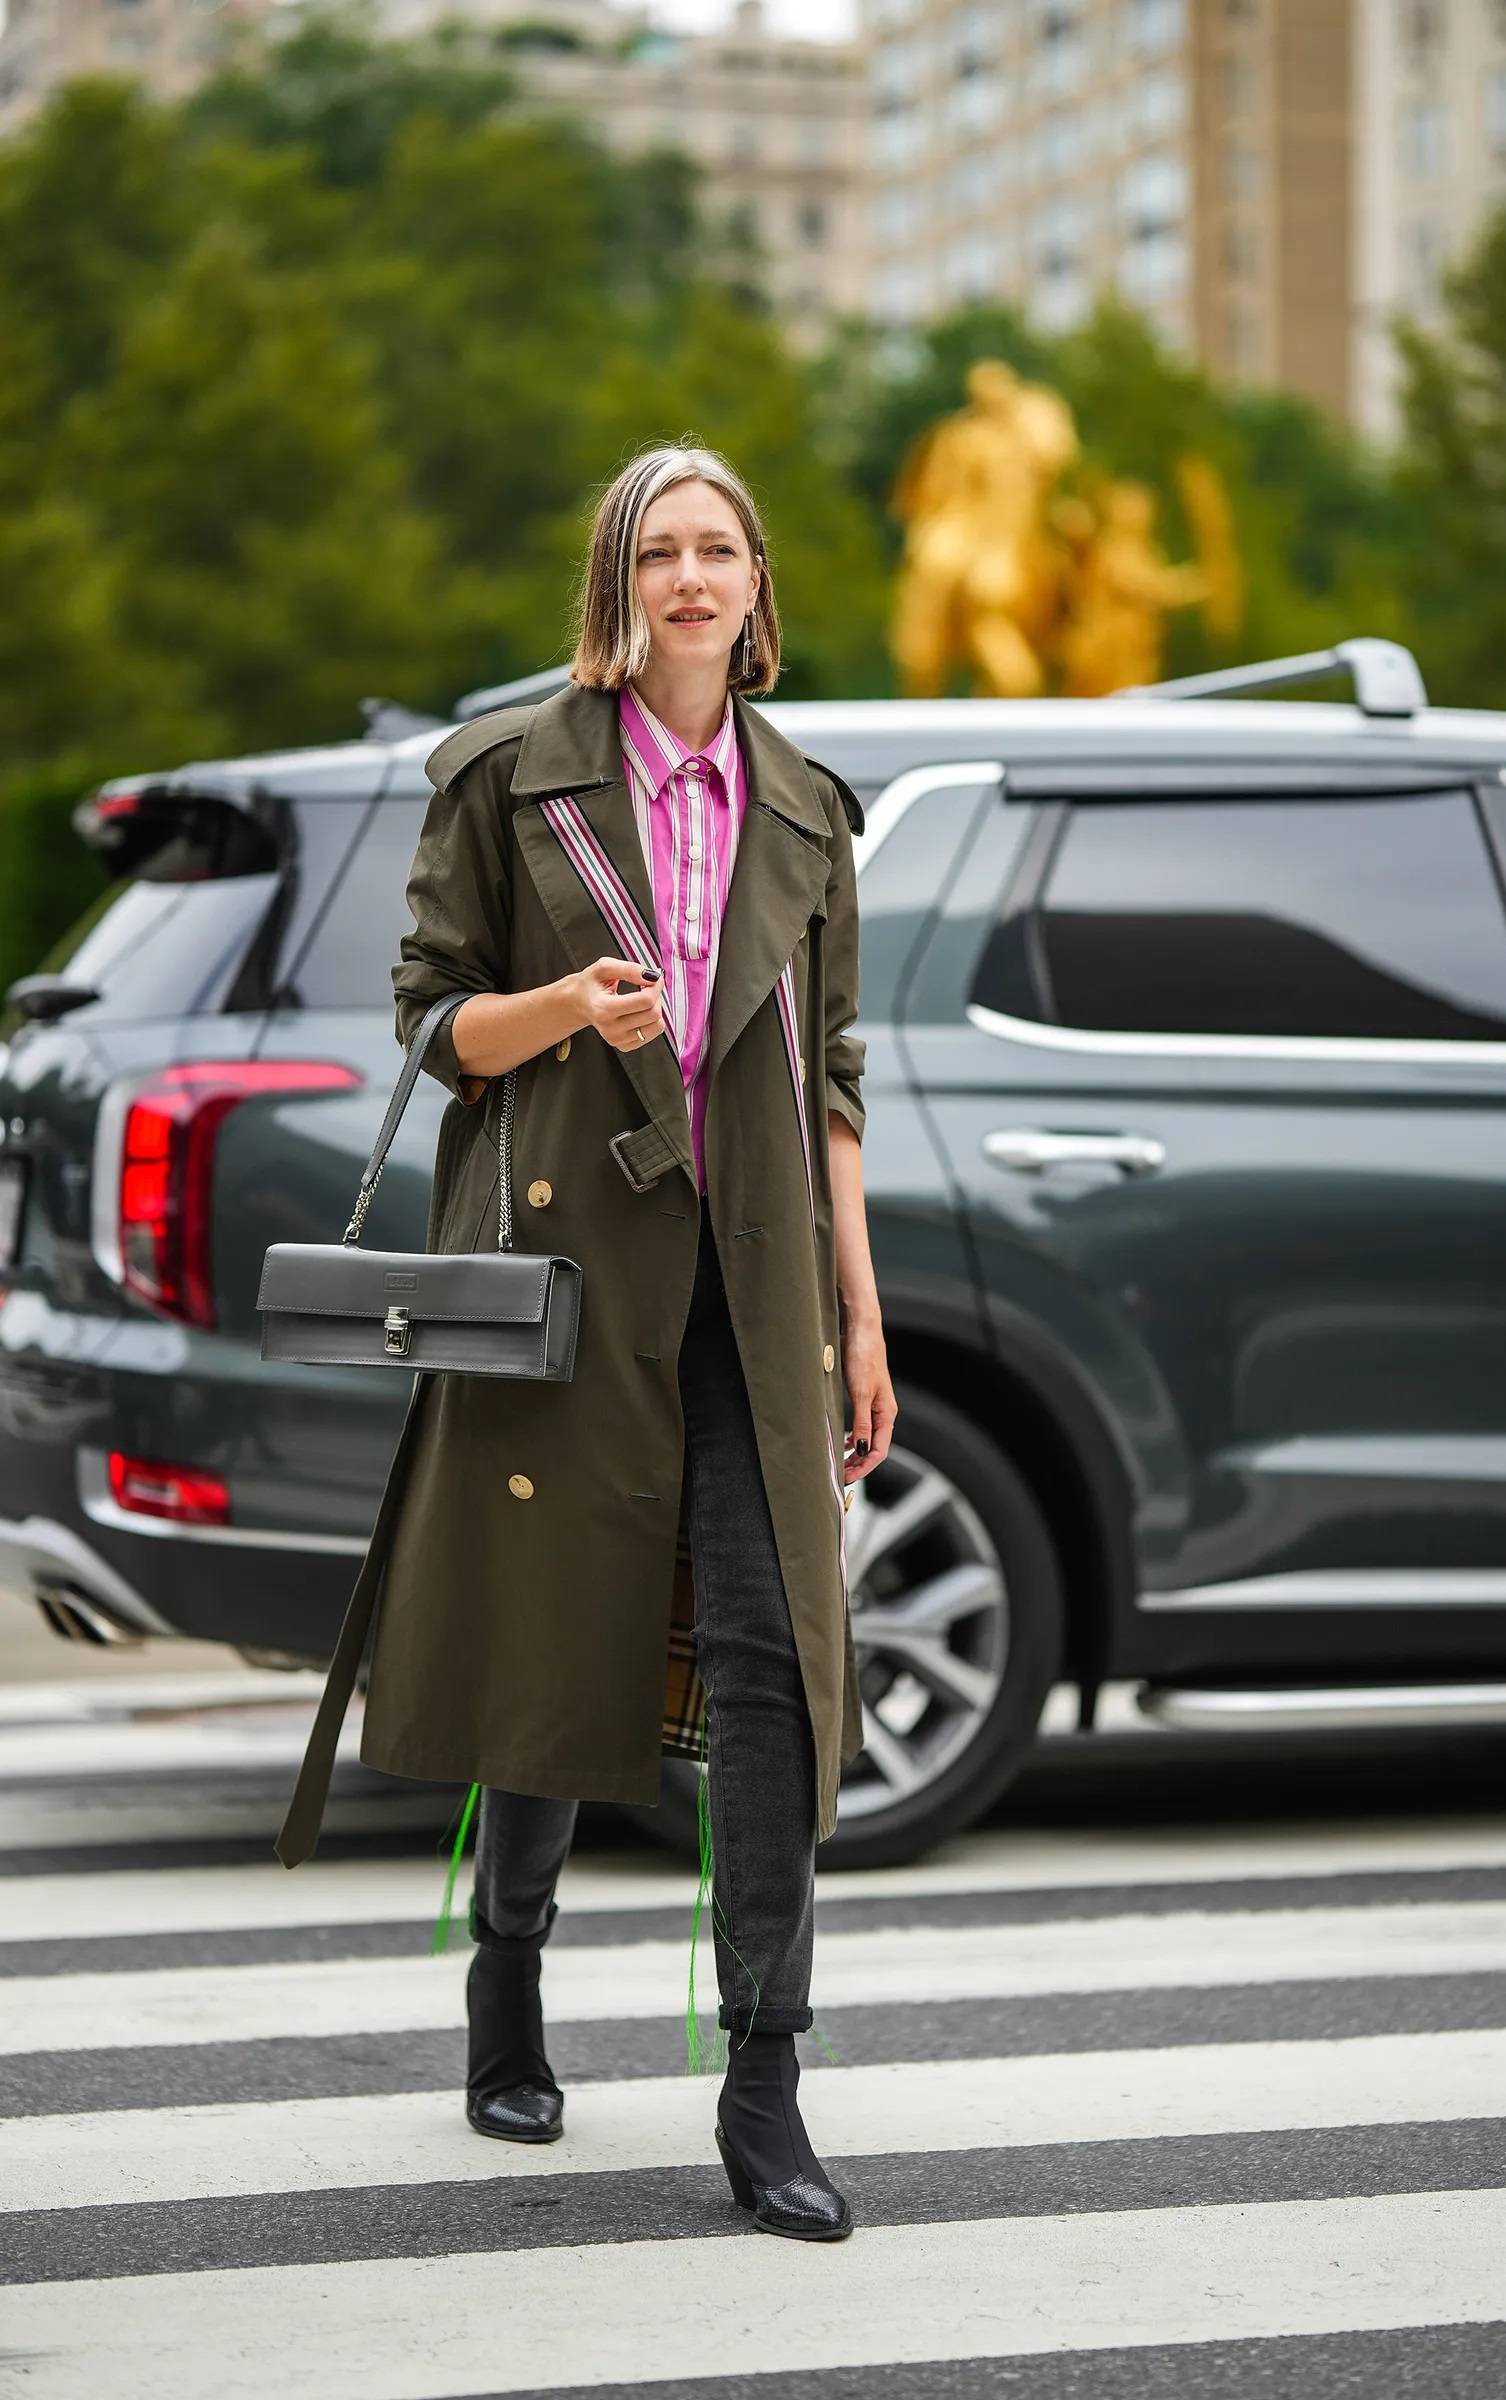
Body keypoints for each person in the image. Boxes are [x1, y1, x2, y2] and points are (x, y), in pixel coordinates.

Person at [273, 442, 895, 2243]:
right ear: (615, 586)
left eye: (718, 550)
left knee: (776, 1663)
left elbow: (831, 1082)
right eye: (658, 552)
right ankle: (510, 1969)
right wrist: (563, 1005)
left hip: (755, 1290)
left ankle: (766, 2079)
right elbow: (425, 1026)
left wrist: (864, 1315)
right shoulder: (507, 776)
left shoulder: (807, 808)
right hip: (565, 1280)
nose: (690, 580)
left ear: (759, 586)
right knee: (568, 1643)